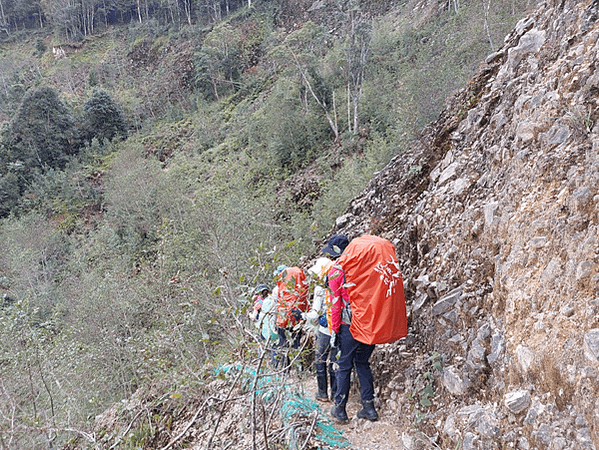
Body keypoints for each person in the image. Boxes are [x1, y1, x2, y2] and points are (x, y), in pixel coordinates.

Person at [328, 235, 407, 424]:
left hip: (349, 326)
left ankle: (340, 408)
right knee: (362, 362)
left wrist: (335, 330)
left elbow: (335, 305)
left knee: (344, 365)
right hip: (369, 326)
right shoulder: (369, 269)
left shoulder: (337, 271)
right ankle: (369, 407)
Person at [306, 234, 349, 402]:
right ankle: (335, 393)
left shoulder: (320, 288)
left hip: (326, 328)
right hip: (342, 325)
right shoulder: (343, 273)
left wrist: (304, 316)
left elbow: (315, 313)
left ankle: (322, 392)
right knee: (335, 361)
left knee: (320, 359)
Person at [273, 264, 309, 369]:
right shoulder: (300, 290)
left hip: (282, 319)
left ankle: (285, 370)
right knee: (296, 345)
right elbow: (305, 303)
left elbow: (277, 305)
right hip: (296, 319)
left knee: (283, 345)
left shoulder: (279, 288)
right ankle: (300, 370)